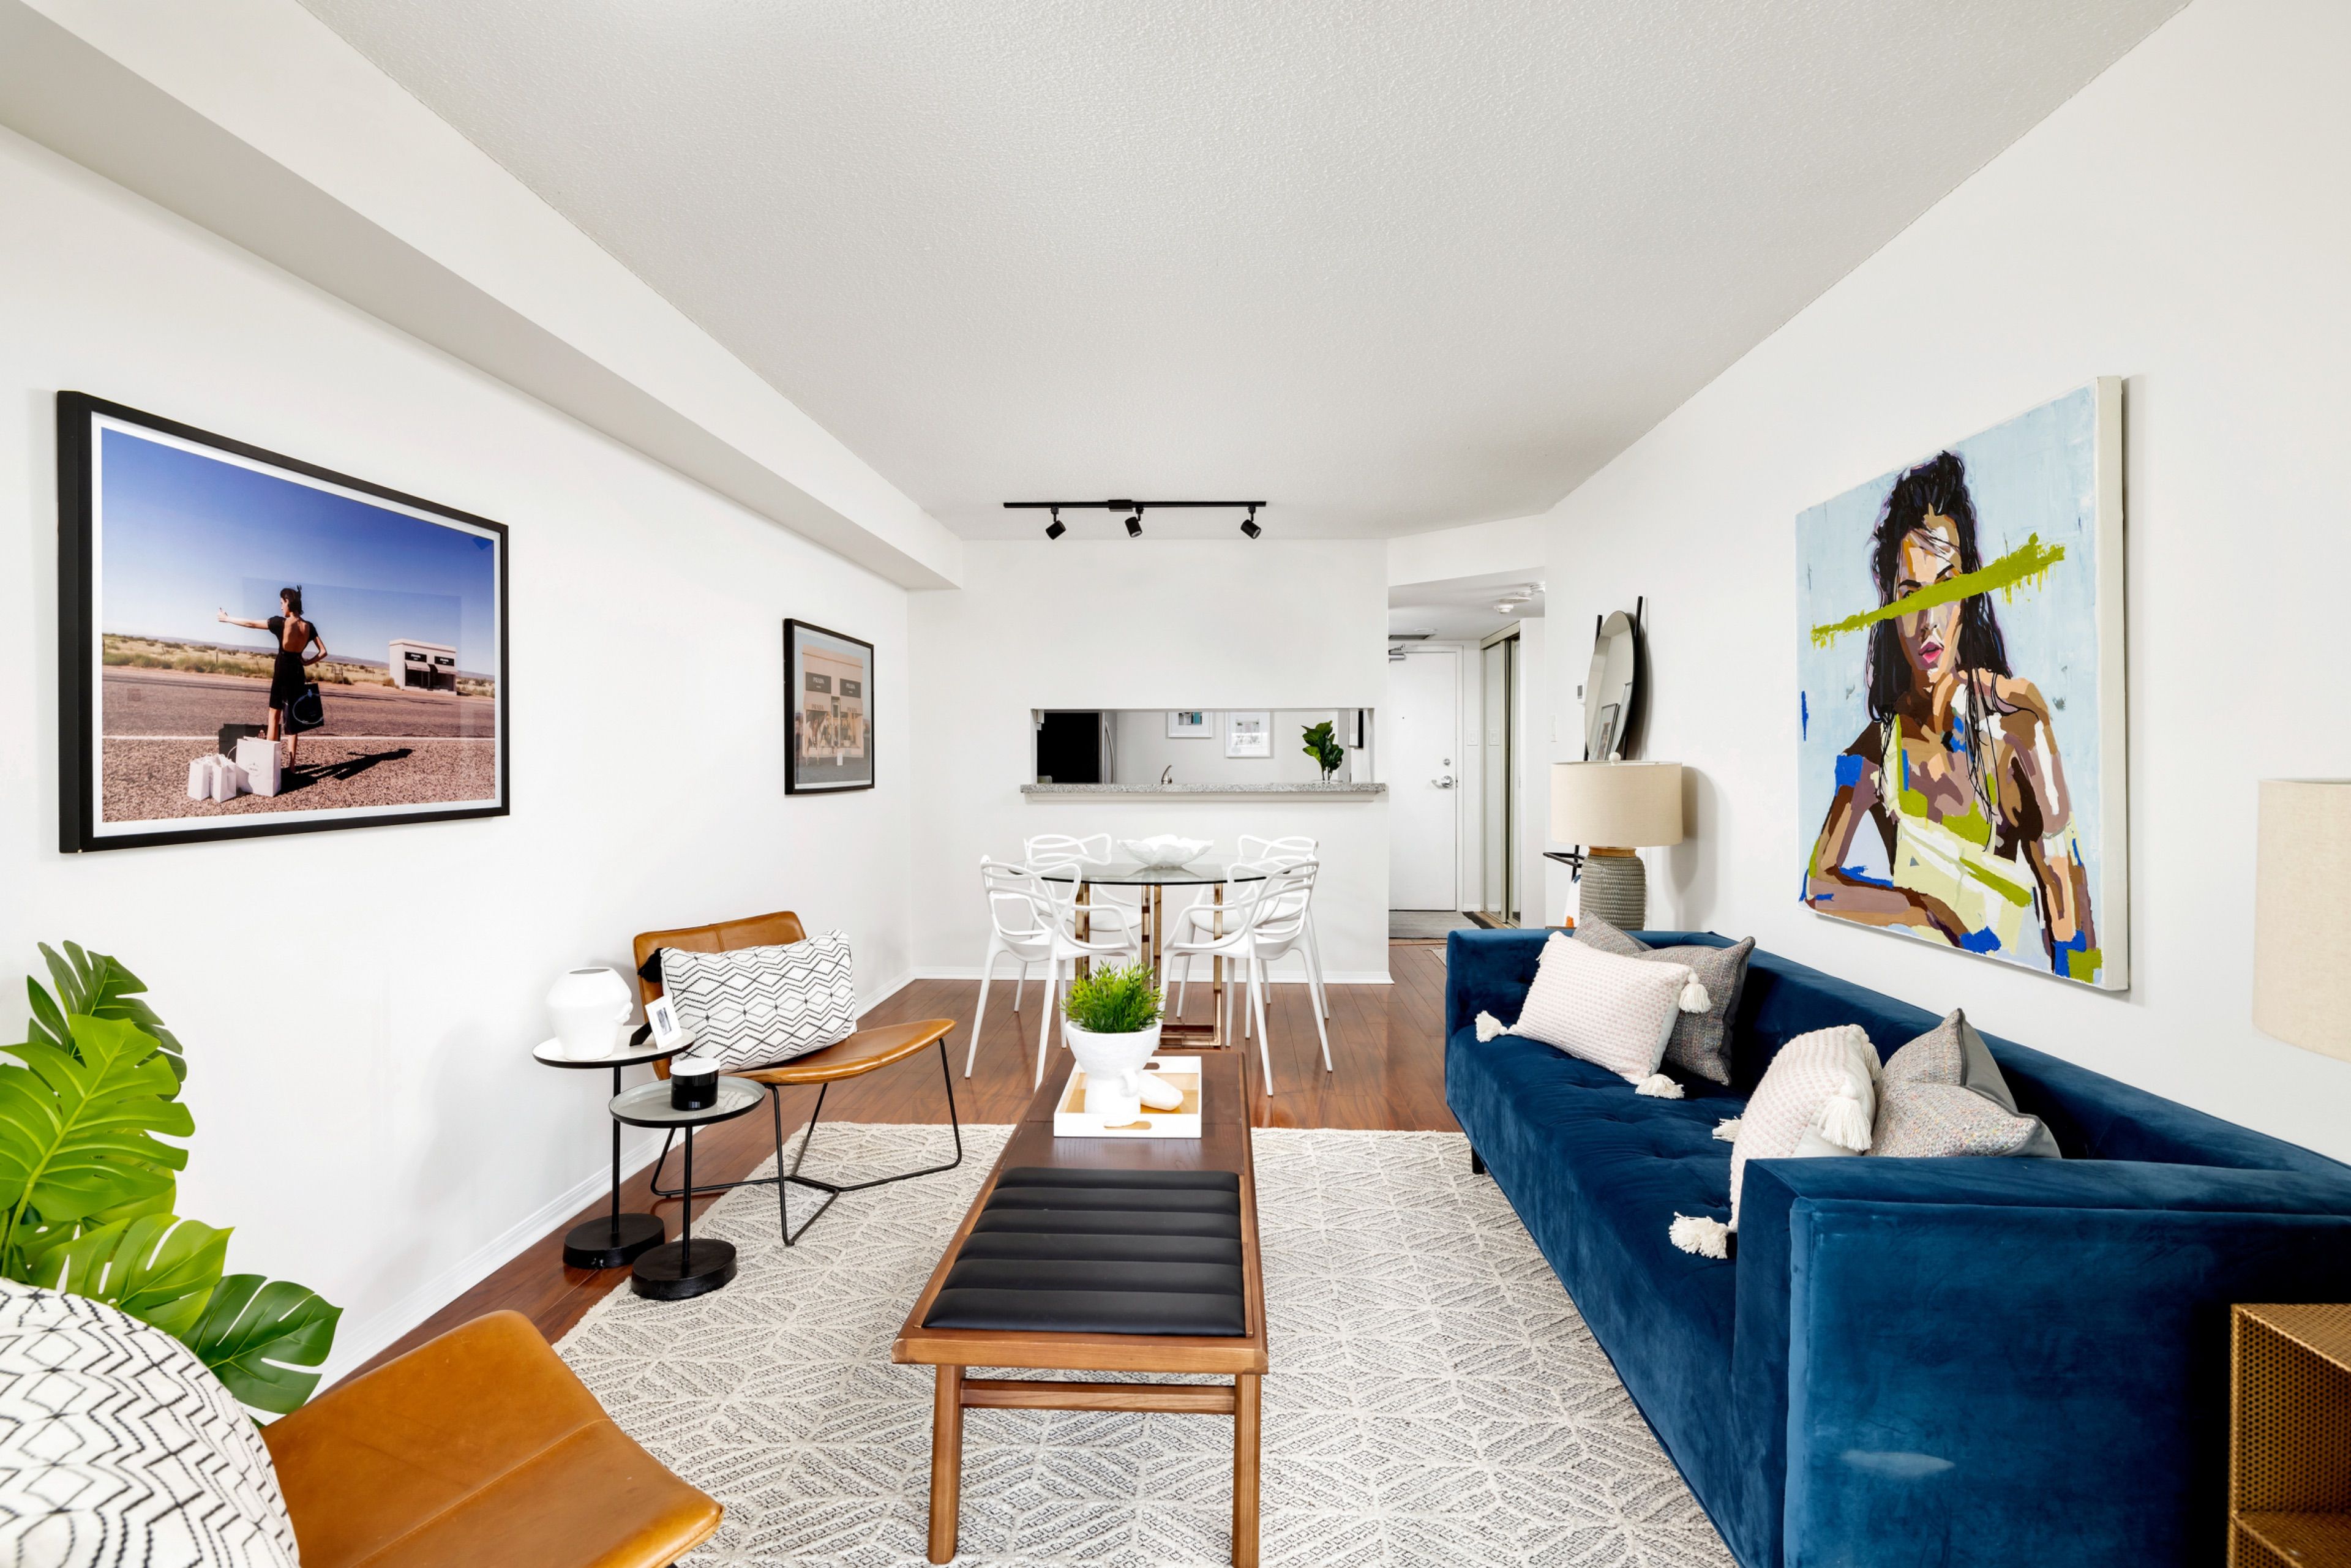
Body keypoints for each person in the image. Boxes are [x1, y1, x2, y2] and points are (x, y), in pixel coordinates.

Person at [1802, 451, 2099, 980]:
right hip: (1925, 995)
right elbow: (1819, 885)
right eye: (1910, 595)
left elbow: (2071, 918)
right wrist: (1924, 909)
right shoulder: (1875, 750)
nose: (1928, 621)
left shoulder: (2018, 726)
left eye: (1946, 587)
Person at [218, 588, 328, 767]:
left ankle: (271, 766)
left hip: (282, 672)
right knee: (293, 720)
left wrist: (227, 618)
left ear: (288, 602)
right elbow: (323, 652)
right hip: (298, 672)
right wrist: (307, 663)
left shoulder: (281, 623)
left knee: (274, 717)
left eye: (282, 603)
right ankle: (292, 766)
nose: (281, 607)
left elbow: (252, 624)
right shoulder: (309, 626)